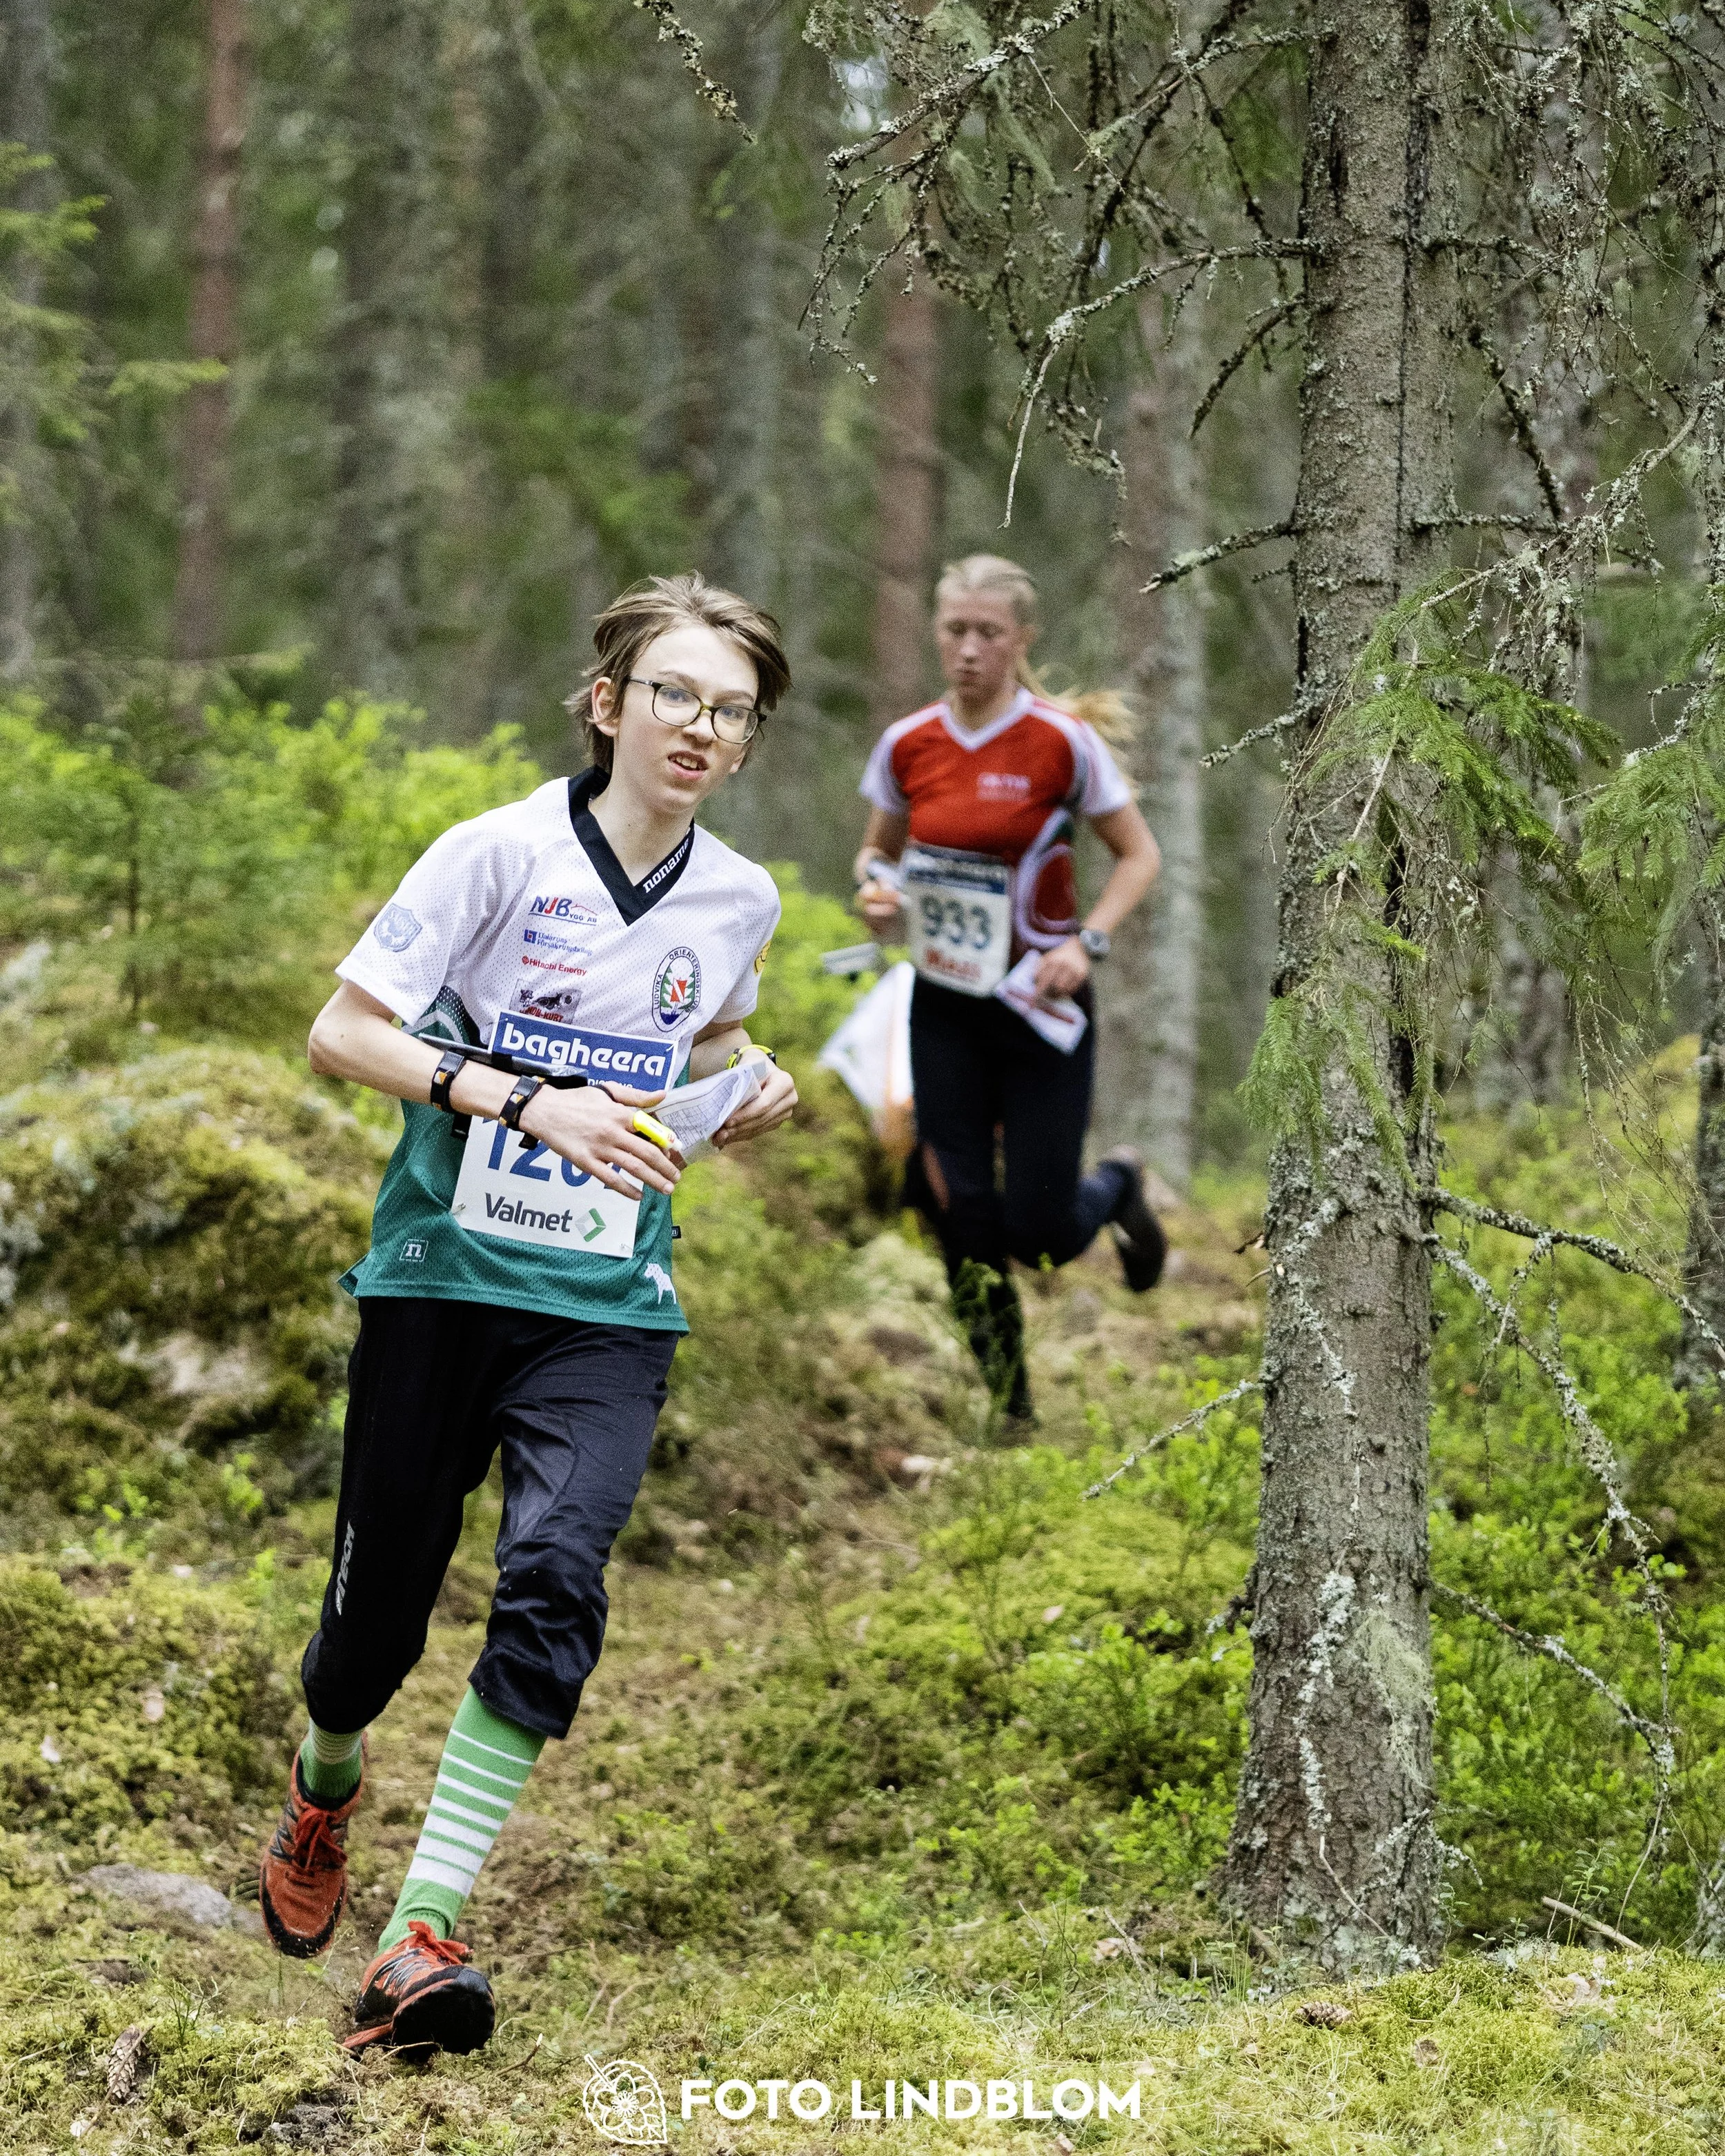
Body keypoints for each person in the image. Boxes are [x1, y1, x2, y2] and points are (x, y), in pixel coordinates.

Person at [256, 573, 797, 2056]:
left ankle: (419, 1931)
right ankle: (324, 1782)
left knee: (557, 1576)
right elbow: (342, 1031)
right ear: (610, 702)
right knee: (369, 1630)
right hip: (440, 1281)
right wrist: (522, 1099)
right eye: (676, 694)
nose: (702, 727)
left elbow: (710, 1036)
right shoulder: (493, 853)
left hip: (606, 1303)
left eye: (734, 711)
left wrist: (746, 1087)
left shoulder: (740, 896)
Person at [854, 553, 1163, 1421]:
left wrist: (1086, 943)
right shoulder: (908, 743)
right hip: (945, 1005)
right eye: (954, 629)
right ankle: (1011, 1407)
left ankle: (1118, 1182)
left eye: (988, 632)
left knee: (1040, 1233)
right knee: (958, 1208)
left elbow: (1139, 855)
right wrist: (877, 891)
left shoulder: (1061, 742)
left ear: (1021, 638)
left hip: (1041, 1004)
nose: (968, 648)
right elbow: (876, 852)